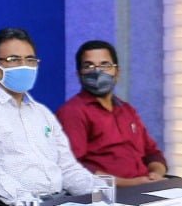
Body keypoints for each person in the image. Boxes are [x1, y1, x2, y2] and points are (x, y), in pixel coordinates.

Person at [0, 28, 98, 205]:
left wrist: (100, 195)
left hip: (58, 201)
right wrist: (30, 204)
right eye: (14, 60)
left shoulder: (42, 112)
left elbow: (68, 168)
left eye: (30, 60)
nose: (24, 66)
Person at [56, 40, 167, 187]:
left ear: (117, 72)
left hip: (145, 186)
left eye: (105, 65)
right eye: (89, 66)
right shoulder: (72, 112)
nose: (97, 72)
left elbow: (152, 153)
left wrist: (156, 174)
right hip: (109, 193)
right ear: (78, 74)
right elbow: (74, 168)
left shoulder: (127, 109)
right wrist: (129, 184)